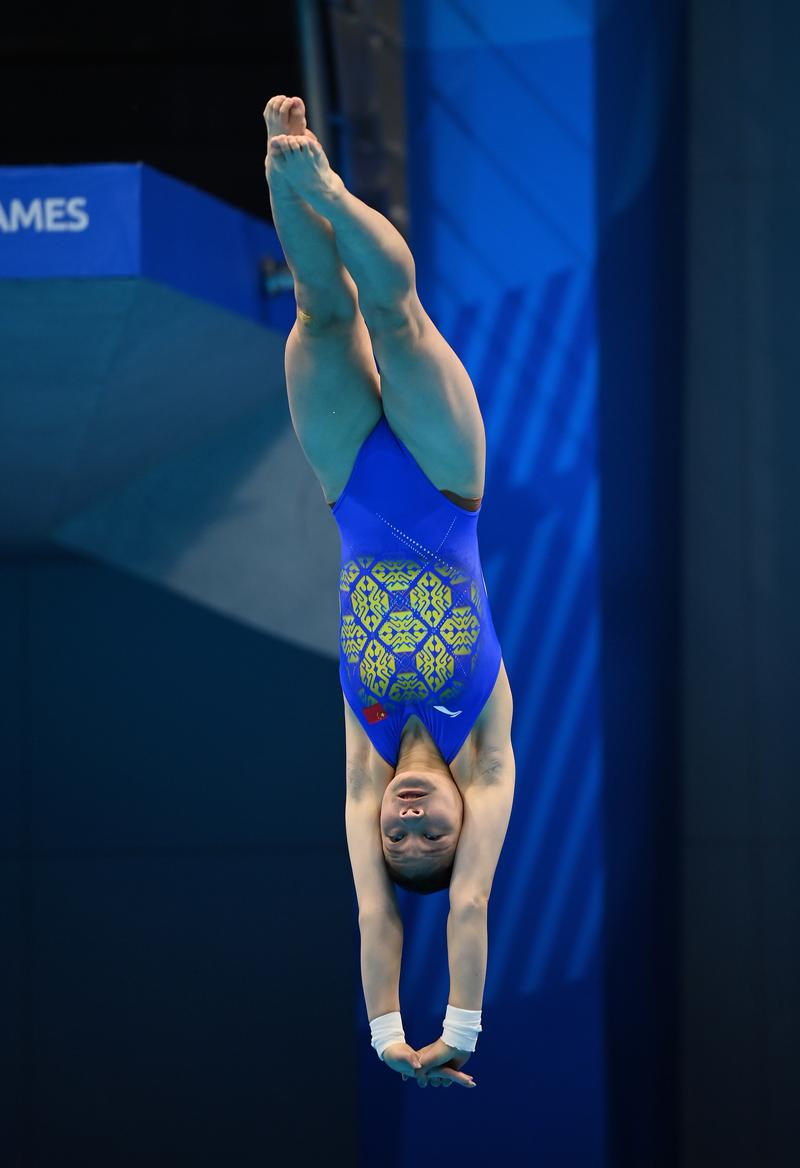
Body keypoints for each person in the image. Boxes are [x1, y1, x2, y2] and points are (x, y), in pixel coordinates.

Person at [263, 96, 515, 1089]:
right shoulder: (483, 753)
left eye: (395, 836)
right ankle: (327, 182)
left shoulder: (364, 760)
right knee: (396, 318)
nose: (407, 820)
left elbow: (376, 910)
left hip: (350, 486)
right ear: (462, 814)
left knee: (319, 312)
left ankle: (284, 170)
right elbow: (461, 905)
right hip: (449, 479)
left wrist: (381, 1038)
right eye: (431, 834)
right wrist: (451, 1030)